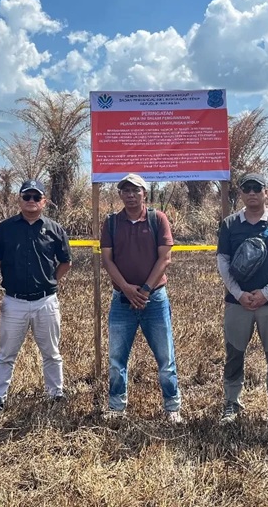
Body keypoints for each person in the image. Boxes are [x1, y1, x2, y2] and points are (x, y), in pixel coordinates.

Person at [100, 173, 181, 423]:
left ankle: (172, 408)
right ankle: (116, 407)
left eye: (136, 191)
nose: (131, 195)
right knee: (116, 360)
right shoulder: (111, 223)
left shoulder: (158, 219)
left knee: (166, 358)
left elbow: (164, 258)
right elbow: (107, 260)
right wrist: (125, 288)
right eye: (125, 191)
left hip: (154, 300)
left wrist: (145, 290)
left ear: (145, 193)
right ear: (120, 195)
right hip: (122, 300)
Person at [216, 173, 268, 428]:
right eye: (246, 188)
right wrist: (239, 294)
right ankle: (232, 405)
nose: (252, 192)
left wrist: (266, 293)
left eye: (257, 188)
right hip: (236, 302)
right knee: (233, 354)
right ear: (240, 193)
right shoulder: (229, 224)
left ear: (266, 192)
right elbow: (222, 262)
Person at [0, 179, 71, 411]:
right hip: (14, 302)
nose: (31, 201)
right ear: (19, 200)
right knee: (6, 353)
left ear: (44, 201)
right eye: (27, 197)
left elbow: (66, 262)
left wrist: (50, 280)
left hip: (46, 301)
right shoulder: (5, 228)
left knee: (51, 353)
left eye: (36, 197)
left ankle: (56, 394)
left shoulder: (55, 229)